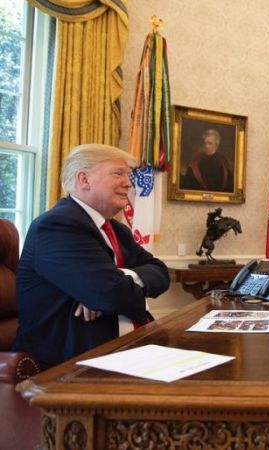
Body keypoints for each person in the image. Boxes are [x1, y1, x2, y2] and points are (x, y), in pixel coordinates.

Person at [12, 144, 170, 369]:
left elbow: (161, 273)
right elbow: (110, 295)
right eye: (118, 173)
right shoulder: (58, 226)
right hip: (70, 367)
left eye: (128, 174)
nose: (129, 182)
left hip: (126, 351)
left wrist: (119, 276)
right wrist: (108, 288)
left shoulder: (116, 230)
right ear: (84, 179)